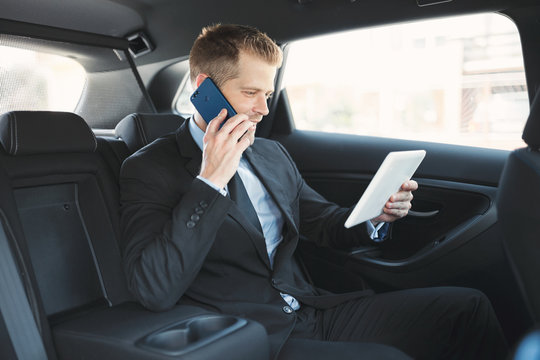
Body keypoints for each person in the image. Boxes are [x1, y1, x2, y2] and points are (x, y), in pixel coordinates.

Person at [119, 24, 508, 360]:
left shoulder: (270, 154)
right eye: (251, 92)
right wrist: (210, 181)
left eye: (267, 95)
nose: (263, 110)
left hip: (314, 308)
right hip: (249, 334)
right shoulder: (149, 168)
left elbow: (321, 223)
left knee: (468, 308)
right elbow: (154, 287)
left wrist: (374, 216)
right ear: (205, 89)